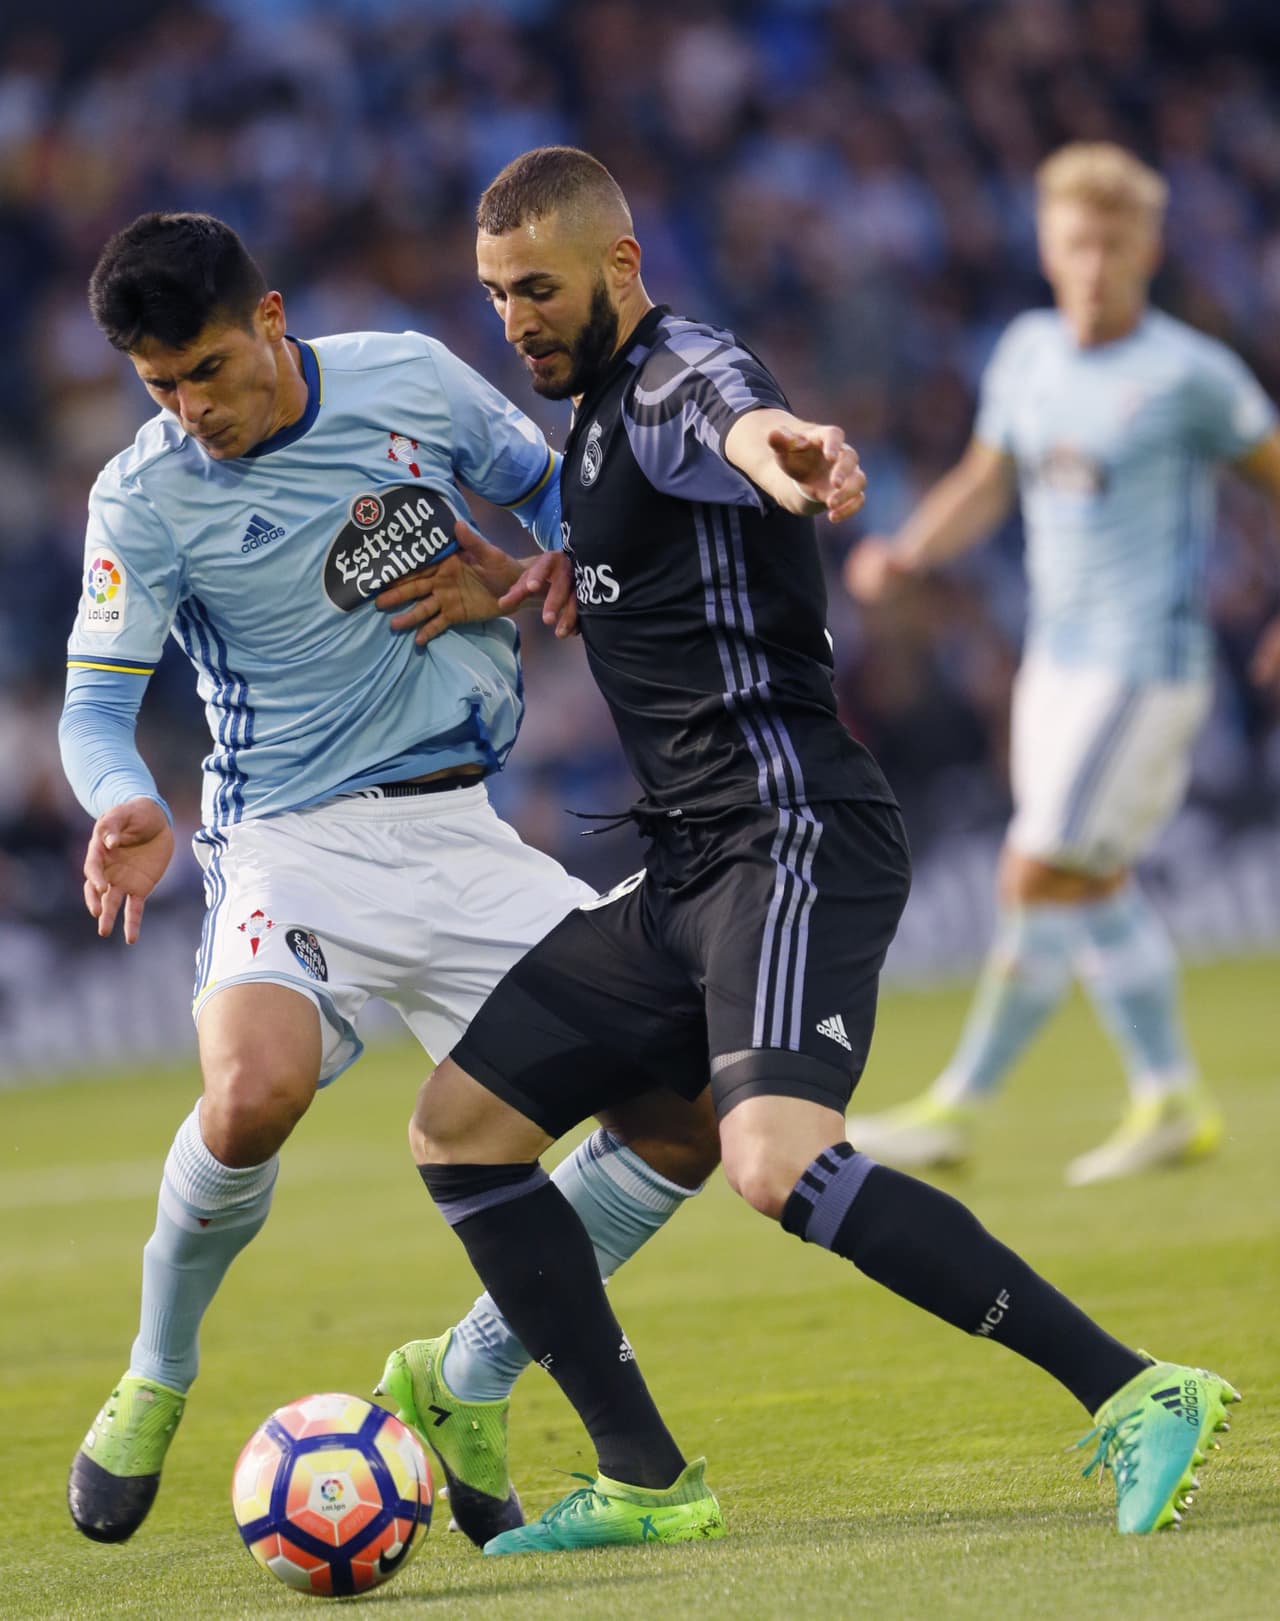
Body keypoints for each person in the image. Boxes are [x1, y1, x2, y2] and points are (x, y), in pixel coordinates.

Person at [381, 145, 1239, 1557]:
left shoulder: (672, 374)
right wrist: (538, 576)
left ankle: (1141, 1386)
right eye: (494, 296)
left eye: (538, 288)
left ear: (620, 267)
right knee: (460, 1132)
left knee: (777, 1164)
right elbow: (644, 547)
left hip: (788, 835)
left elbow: (721, 414)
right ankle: (647, 1476)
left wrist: (778, 444)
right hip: (686, 869)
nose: (516, 319)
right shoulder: (594, 426)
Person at [61, 211, 723, 1547]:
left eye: (205, 372)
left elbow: (564, 499)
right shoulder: (144, 491)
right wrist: (125, 798)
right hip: (290, 844)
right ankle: (157, 1370)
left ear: (270, 320)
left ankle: (465, 1375)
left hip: (464, 838)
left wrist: (544, 571)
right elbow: (94, 706)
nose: (192, 411)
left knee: (689, 1108)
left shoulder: (410, 382)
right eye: (160, 388)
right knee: (251, 1096)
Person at [843, 142, 1280, 1186]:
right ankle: (1168, 1095)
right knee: (1086, 878)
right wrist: (906, 548)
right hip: (1054, 660)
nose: (1092, 262)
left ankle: (960, 1103)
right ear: (1045, 245)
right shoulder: (1027, 351)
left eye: (1112, 242)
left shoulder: (1189, 374)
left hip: (1144, 664)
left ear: (1147, 248)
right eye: (1075, 241)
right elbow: (983, 481)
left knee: (1034, 867)